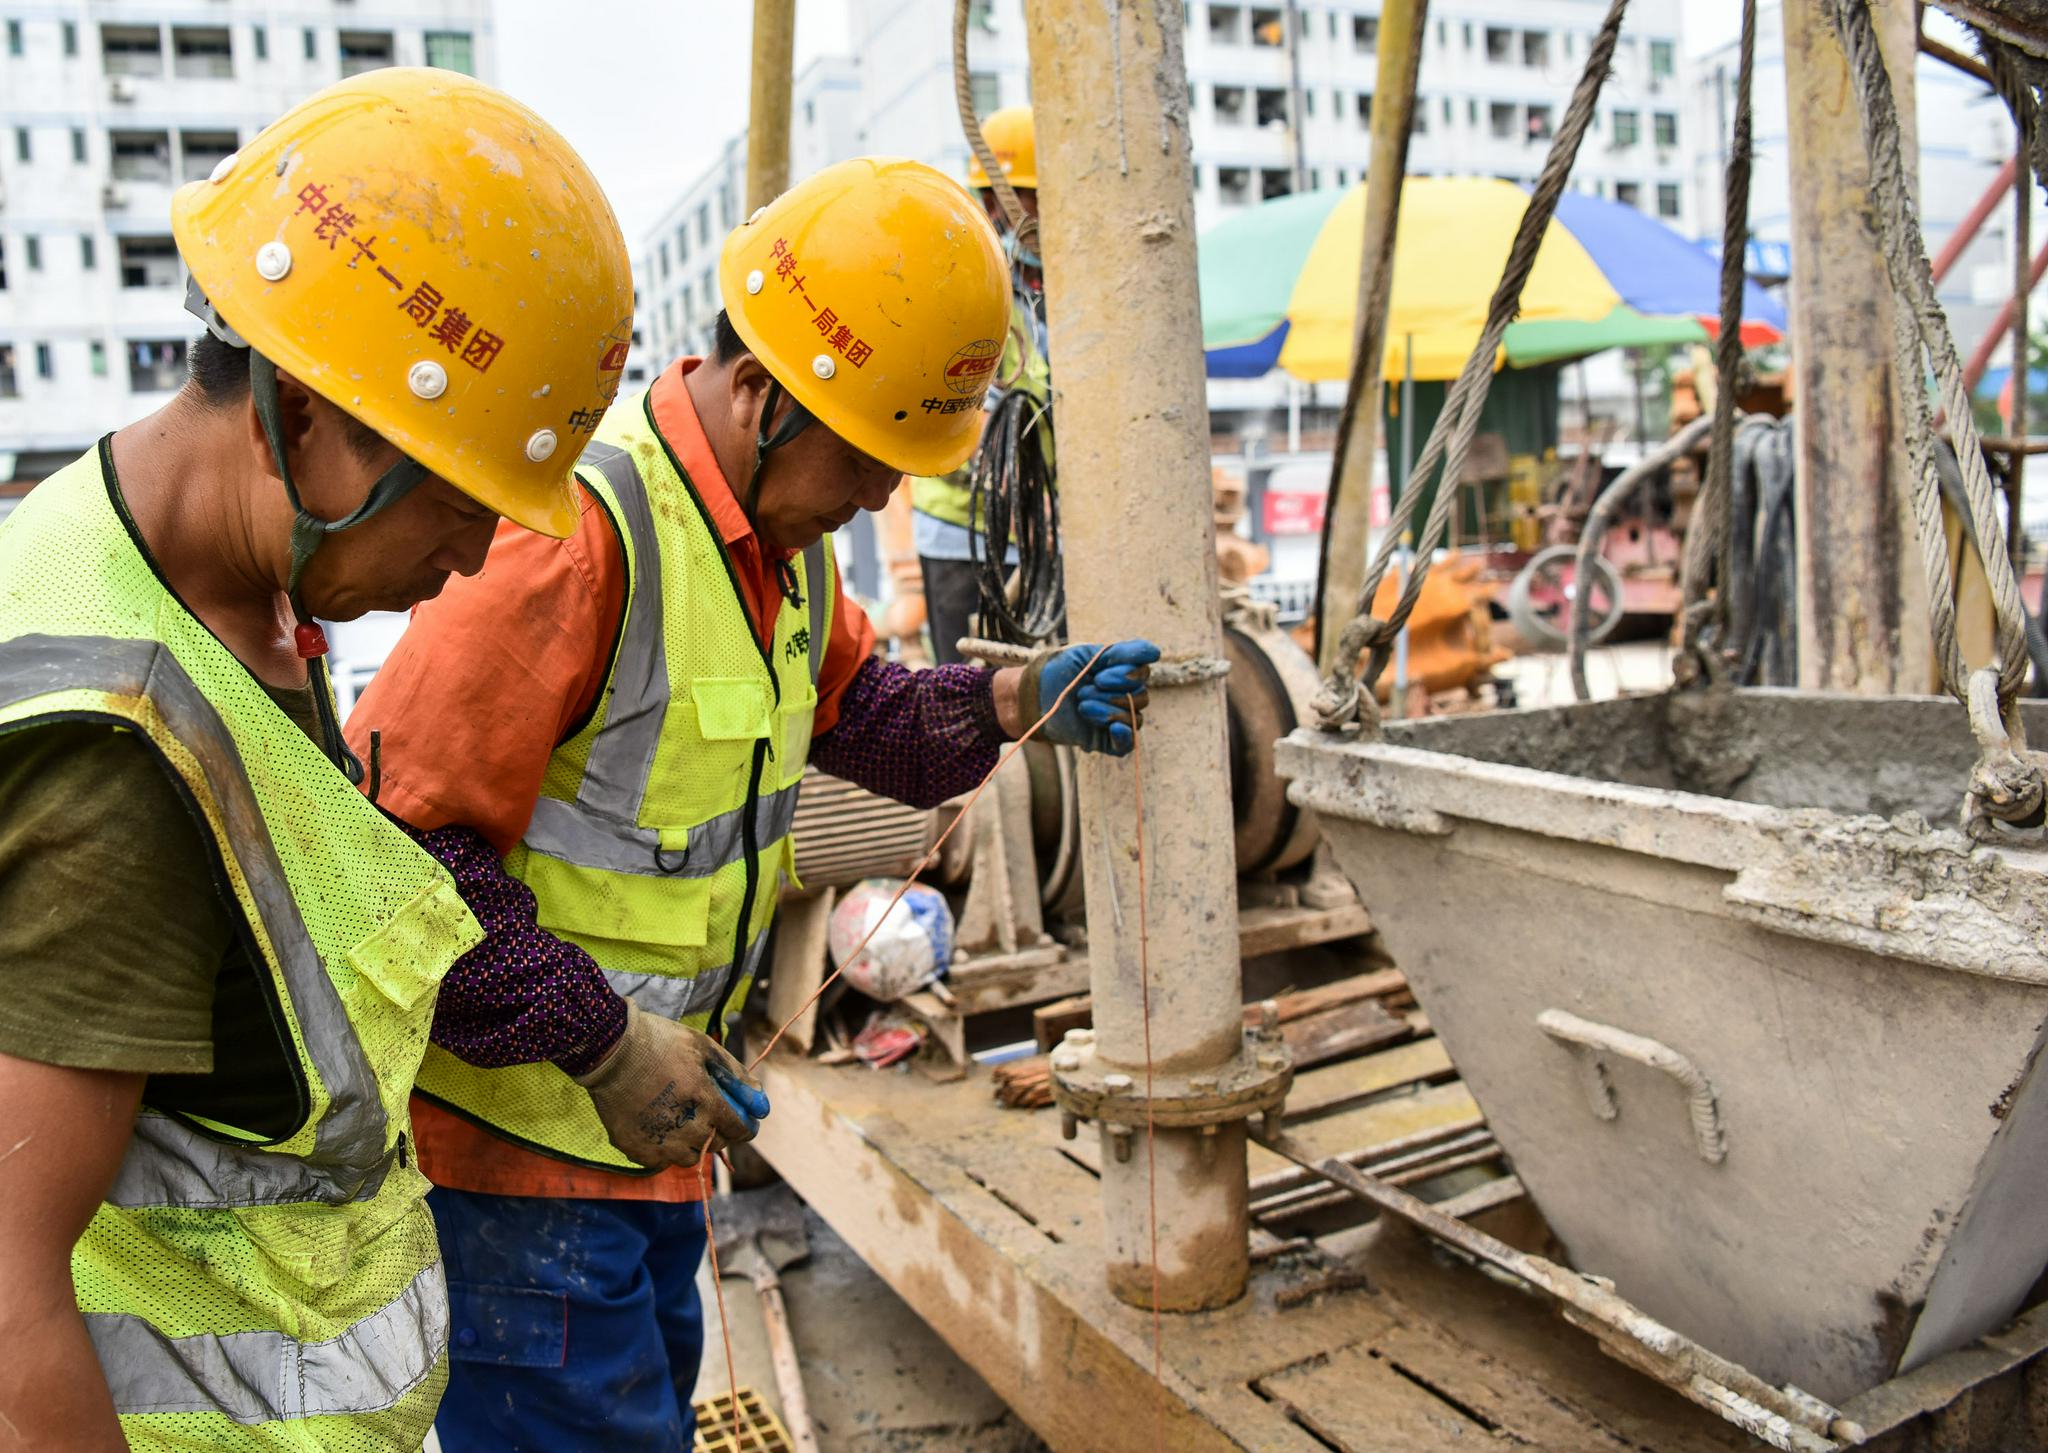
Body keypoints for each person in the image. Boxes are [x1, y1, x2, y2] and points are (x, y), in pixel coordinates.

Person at [345, 155, 1158, 1451]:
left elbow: (866, 716)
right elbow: (386, 857)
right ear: (760, 393)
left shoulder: (787, 549)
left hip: (649, 1148)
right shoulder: (579, 537)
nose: (882, 495)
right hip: (517, 1170)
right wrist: (603, 1045)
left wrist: (1013, 701)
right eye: (868, 455)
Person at [0, 70, 633, 1450]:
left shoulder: (224, 583)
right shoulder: (119, 748)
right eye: (456, 502)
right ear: (301, 415)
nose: (471, 558)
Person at [910, 105, 1058, 663]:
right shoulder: (967, 281)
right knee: (971, 690)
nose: (1046, 215)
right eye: (1034, 199)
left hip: (1042, 532)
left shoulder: (1055, 288)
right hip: (963, 534)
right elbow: (965, 413)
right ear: (997, 199)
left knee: (1046, 683)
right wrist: (1023, 499)